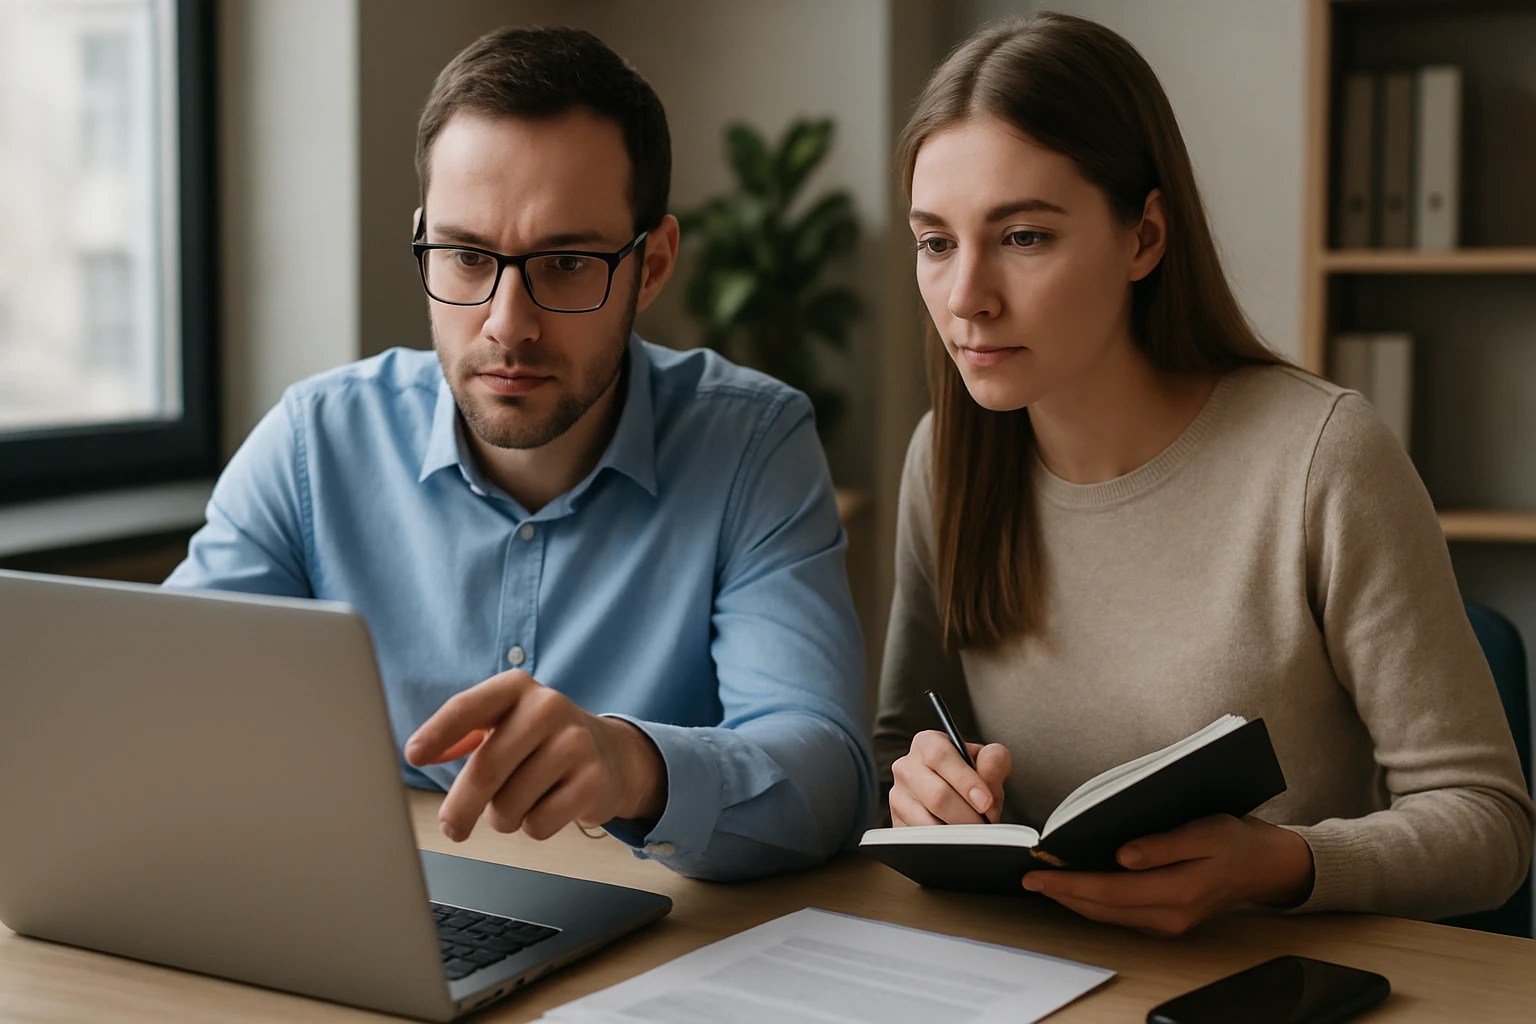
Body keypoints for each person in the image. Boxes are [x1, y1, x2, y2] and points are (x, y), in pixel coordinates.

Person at [166, 25, 874, 882]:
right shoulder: (317, 441)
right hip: (377, 913)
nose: (507, 322)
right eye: (467, 256)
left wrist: (631, 766)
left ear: (651, 267)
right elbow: (167, 704)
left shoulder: (753, 445)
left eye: (567, 262)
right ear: (425, 241)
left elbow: (830, 774)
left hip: (654, 954)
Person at [875, 13, 1533, 934]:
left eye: (1023, 237)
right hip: (1031, 973)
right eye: (936, 242)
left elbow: (1491, 826)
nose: (965, 297)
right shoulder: (942, 460)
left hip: (1265, 986)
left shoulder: (1323, 458)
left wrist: (1280, 864)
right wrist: (919, 791)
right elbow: (901, 745)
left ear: (1144, 237)